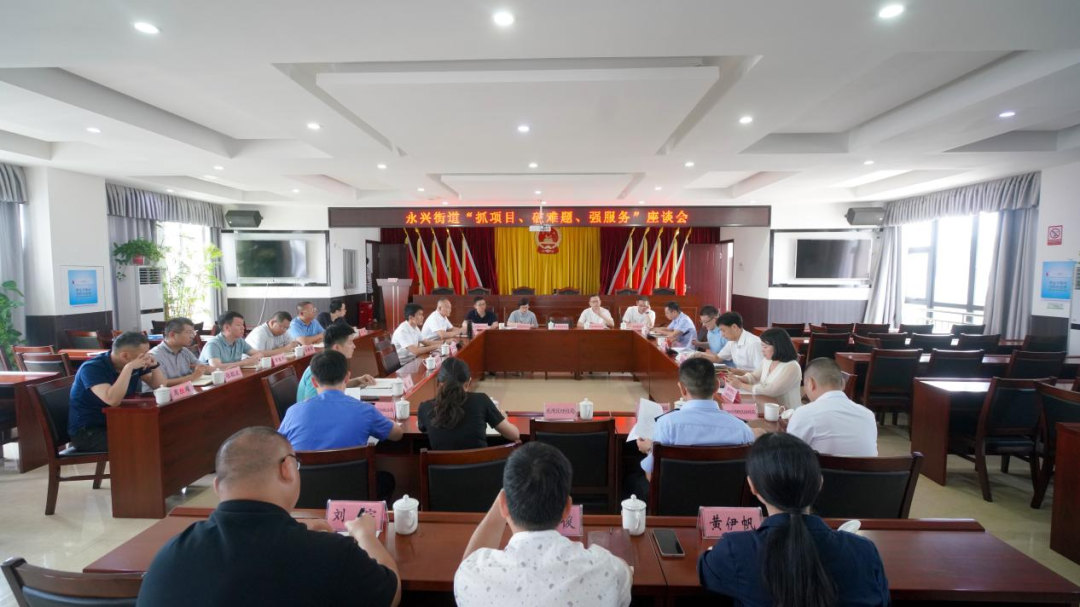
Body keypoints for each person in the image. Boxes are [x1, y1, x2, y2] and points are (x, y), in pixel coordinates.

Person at [136, 426, 401, 607]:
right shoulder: (332, 553)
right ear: (287, 469)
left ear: (217, 487)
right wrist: (365, 534)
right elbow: (391, 594)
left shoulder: (170, 554)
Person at [698, 433, 889, 607]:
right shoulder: (865, 551)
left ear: (753, 487)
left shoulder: (735, 550)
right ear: (820, 483)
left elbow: (705, 571)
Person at [455, 442, 632, 607]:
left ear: (503, 504)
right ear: (567, 508)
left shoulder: (471, 576)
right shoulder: (607, 571)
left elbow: (468, 562)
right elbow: (625, 572)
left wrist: (505, 499)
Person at [635, 357, 754, 484]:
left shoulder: (667, 425)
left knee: (631, 480)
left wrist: (650, 449)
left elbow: (652, 477)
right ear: (717, 386)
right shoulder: (743, 430)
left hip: (675, 495)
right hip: (726, 496)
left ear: (682, 389)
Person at [280, 350, 403, 450]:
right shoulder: (365, 410)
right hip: (353, 474)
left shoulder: (293, 412)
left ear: (314, 382)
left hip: (302, 474)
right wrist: (387, 420)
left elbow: (278, 444)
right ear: (347, 378)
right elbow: (397, 435)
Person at [69, 331, 167, 452]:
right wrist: (128, 368)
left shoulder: (135, 362)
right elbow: (112, 400)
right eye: (144, 354)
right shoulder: (92, 368)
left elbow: (159, 386)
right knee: (147, 442)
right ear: (125, 356)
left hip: (118, 422)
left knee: (162, 433)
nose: (147, 356)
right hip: (89, 432)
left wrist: (154, 366)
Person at [417, 357, 520, 450]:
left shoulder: (425, 408)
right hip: (479, 465)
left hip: (440, 466)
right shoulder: (481, 400)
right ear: (468, 383)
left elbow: (423, 428)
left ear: (438, 383)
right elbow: (514, 435)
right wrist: (502, 418)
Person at [786, 358, 878, 456]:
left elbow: (788, 456)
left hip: (823, 466)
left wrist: (784, 435)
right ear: (843, 383)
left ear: (811, 383)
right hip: (865, 466)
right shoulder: (868, 415)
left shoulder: (804, 413)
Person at [295, 322, 376, 403]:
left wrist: (358, 380)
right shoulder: (318, 369)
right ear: (336, 347)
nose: (354, 346)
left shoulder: (334, 364)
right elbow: (311, 403)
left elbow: (333, 386)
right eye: (350, 342)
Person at [726, 328, 803, 411]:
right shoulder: (768, 360)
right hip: (765, 405)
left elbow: (771, 390)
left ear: (778, 347)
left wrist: (741, 385)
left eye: (765, 347)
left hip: (786, 412)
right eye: (762, 346)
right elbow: (754, 376)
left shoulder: (792, 366)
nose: (762, 350)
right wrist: (739, 378)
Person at [149, 317, 210, 386]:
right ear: (172, 334)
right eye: (188, 332)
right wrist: (192, 377)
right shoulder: (155, 355)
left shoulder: (185, 351)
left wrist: (203, 369)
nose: (192, 336)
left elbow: (202, 367)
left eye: (193, 332)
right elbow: (162, 383)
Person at [199, 311, 264, 368]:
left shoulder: (239, 341)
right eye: (239, 325)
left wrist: (251, 360)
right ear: (227, 327)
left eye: (242, 325)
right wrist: (244, 362)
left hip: (231, 376)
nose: (243, 328)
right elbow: (216, 367)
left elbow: (259, 354)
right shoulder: (213, 344)